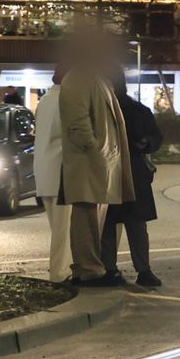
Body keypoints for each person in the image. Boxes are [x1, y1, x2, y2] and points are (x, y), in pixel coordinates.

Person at [58, 34, 134, 287]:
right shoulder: (79, 78)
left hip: (99, 164)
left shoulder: (94, 78)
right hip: (90, 164)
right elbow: (77, 124)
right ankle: (89, 271)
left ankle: (91, 269)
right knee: (86, 220)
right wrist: (96, 150)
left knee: (93, 222)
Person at [102, 66, 163, 288]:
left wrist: (146, 142)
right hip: (132, 172)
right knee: (133, 224)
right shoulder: (138, 110)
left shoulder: (105, 109)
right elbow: (156, 138)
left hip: (116, 171)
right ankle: (140, 270)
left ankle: (111, 269)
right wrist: (146, 143)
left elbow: (155, 138)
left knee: (112, 223)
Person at [34, 68, 71, 283]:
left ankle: (62, 270)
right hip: (59, 172)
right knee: (62, 230)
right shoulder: (65, 101)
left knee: (57, 227)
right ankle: (59, 272)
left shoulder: (45, 100)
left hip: (44, 172)